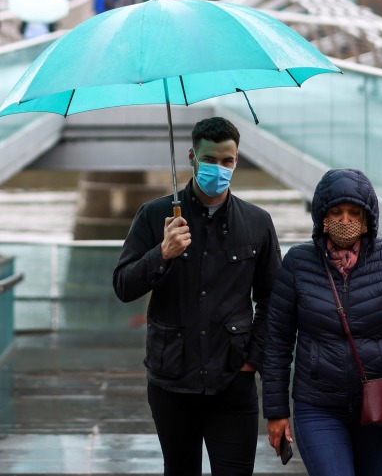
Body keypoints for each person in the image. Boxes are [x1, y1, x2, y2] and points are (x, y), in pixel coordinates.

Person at [113, 116, 281, 476]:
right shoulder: (155, 215)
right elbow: (123, 286)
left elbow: (272, 300)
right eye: (209, 159)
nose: (218, 168)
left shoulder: (257, 222)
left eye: (227, 161)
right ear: (192, 156)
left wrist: (252, 359)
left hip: (232, 381)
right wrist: (162, 253)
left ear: (236, 161)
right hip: (171, 381)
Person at [262, 168, 382, 476]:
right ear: (322, 215)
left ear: (368, 216)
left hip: (380, 406)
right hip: (317, 406)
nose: (346, 220)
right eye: (337, 211)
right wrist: (276, 411)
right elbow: (277, 340)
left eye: (354, 212)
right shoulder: (298, 263)